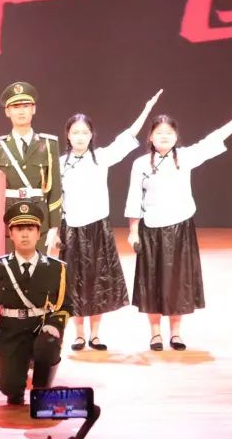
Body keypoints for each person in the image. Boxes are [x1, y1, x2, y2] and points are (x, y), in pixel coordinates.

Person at [124, 97, 232, 351]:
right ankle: (155, 334)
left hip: (180, 229)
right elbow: (133, 198)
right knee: (152, 281)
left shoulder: (186, 157)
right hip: (150, 229)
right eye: (159, 132)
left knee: (178, 281)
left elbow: (215, 138)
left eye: (169, 132)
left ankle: (176, 334)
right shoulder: (140, 164)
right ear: (150, 137)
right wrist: (133, 231)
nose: (164, 136)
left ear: (176, 136)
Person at [59, 89, 162, 352]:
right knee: (74, 282)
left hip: (97, 228)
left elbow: (128, 135)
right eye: (75, 132)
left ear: (91, 135)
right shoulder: (59, 164)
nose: (80, 136)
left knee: (97, 281)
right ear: (68, 135)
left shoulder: (102, 157)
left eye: (84, 132)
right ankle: (78, 334)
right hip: (71, 229)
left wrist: (146, 109)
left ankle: (95, 335)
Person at [0, 202, 72, 406]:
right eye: (19, 229)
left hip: (41, 329)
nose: (25, 234)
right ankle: (15, 383)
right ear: (10, 234)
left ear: (38, 234)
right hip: (11, 332)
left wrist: (54, 325)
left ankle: (41, 388)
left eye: (30, 229)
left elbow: (66, 305)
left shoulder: (56, 269)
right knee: (9, 386)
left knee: (48, 343)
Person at [0, 81, 63, 256]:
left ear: (33, 109)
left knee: (38, 269)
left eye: (26, 106)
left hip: (39, 221)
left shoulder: (49, 144)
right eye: (16, 107)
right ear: (7, 111)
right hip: (8, 222)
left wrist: (54, 226)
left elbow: (55, 188)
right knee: (10, 269)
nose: (21, 111)